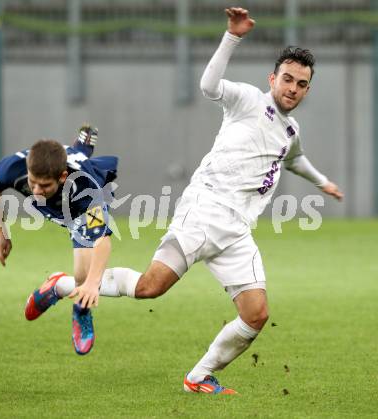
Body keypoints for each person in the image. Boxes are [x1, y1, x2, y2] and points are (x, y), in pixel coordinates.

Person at [93, 6, 342, 395]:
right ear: (272, 78)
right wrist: (233, 37)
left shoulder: (291, 130)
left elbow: (295, 160)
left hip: (237, 232)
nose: (293, 88)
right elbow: (209, 86)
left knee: (257, 314)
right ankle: (68, 284)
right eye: (288, 79)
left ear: (308, 89)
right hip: (204, 212)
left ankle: (198, 376)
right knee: (148, 289)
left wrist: (323, 182)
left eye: (302, 84)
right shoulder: (247, 99)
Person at [0, 124, 118, 355]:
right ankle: (83, 142)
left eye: (44, 185)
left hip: (76, 210)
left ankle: (77, 307)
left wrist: (91, 284)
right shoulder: (11, 168)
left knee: (83, 277)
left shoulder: (86, 190)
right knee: (79, 154)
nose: (36, 190)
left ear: (62, 176)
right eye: (32, 182)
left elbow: (102, 240)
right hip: (62, 191)